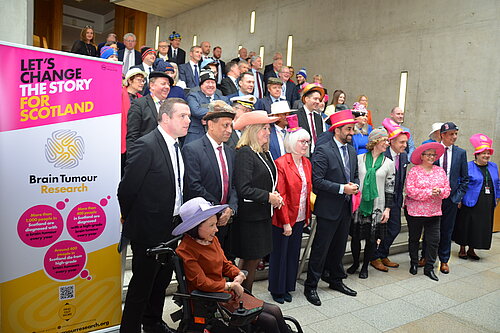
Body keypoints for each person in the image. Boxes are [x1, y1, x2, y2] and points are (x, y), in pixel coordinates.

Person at [118, 98, 190, 333]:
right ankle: (130, 329)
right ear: (166, 118)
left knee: (161, 282)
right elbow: (126, 189)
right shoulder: (146, 145)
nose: (188, 121)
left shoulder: (178, 146)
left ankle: (153, 324)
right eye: (183, 116)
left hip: (172, 227)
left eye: (189, 116)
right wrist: (134, 219)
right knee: (141, 287)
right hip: (148, 230)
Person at [173, 197, 292, 333]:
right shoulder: (185, 250)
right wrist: (230, 285)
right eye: (211, 225)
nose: (216, 230)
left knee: (275, 311)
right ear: (195, 227)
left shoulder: (212, 239)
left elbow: (225, 264)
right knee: (269, 320)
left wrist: (238, 273)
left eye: (215, 224)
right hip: (210, 300)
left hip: (226, 293)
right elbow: (201, 283)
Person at [304, 110, 360, 306]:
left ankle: (335, 280)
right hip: (327, 208)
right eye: (348, 129)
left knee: (338, 247)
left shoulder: (352, 150)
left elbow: (354, 175)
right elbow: (317, 181)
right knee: (321, 248)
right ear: (337, 130)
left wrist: (354, 186)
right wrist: (341, 189)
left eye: (353, 129)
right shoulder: (323, 150)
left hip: (345, 208)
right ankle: (311, 286)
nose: (352, 132)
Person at [231, 111, 281, 292]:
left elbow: (267, 181)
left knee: (252, 260)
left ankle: (244, 298)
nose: (268, 132)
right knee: (250, 260)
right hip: (250, 218)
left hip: (262, 215)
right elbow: (244, 188)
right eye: (265, 128)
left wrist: (275, 195)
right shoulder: (245, 153)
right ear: (253, 130)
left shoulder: (263, 153)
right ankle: (244, 298)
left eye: (269, 128)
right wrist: (269, 197)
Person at [182, 100, 238, 256]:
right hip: (203, 222)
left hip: (226, 220)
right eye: (225, 125)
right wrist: (219, 209)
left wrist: (231, 208)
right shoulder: (193, 149)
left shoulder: (229, 152)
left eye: (231, 126)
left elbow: (234, 185)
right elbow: (194, 186)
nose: (229, 130)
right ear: (211, 125)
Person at [269, 115, 312, 303]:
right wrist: (286, 222)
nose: (306, 145)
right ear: (293, 142)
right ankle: (277, 289)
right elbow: (282, 196)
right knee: (280, 254)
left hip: (301, 216)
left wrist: (307, 216)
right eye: (302, 141)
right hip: (284, 218)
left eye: (308, 142)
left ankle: (288, 286)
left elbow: (307, 191)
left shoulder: (307, 163)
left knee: (293, 253)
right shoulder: (281, 163)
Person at [421, 122, 469, 274]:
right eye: (451, 134)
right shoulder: (433, 150)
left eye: (456, 134)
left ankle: (444, 260)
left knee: (446, 230)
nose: (454, 137)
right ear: (442, 135)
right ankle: (426, 257)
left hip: (450, 199)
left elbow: (465, 178)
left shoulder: (461, 153)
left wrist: (457, 197)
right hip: (432, 198)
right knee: (429, 229)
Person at [347, 128, 395, 279]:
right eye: (384, 140)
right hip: (359, 205)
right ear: (375, 141)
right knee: (355, 238)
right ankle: (355, 263)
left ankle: (365, 266)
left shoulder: (389, 163)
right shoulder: (359, 158)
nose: (387, 143)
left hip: (378, 207)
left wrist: (387, 209)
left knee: (371, 239)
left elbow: (390, 188)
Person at [405, 142, 450, 281]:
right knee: (414, 239)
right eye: (428, 154)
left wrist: (440, 191)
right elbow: (410, 191)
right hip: (415, 212)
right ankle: (413, 263)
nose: (431, 157)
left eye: (433, 155)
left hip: (434, 212)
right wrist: (430, 192)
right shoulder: (414, 171)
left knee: (433, 241)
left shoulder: (440, 171)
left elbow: (447, 190)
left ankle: (429, 268)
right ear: (422, 156)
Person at [371, 118, 410, 270]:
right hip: (380, 199)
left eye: (406, 142)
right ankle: (374, 257)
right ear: (392, 141)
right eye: (401, 142)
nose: (404, 145)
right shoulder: (382, 155)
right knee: (377, 231)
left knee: (394, 228)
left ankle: (382, 254)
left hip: (395, 199)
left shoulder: (404, 156)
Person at [453, 134, 500, 259]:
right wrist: (459, 198)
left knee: (479, 226)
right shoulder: (468, 166)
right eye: (483, 153)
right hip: (469, 200)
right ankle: (462, 248)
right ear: (477, 154)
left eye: (488, 153)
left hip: (487, 202)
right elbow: (460, 181)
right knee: (466, 225)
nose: (486, 156)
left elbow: (497, 182)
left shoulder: (493, 166)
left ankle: (472, 249)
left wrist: (497, 197)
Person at [126, 71, 173, 151]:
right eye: (163, 83)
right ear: (152, 85)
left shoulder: (170, 106)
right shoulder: (139, 104)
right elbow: (133, 135)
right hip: (146, 154)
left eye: (168, 84)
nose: (167, 87)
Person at [185, 70, 228, 144]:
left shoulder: (223, 99)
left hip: (217, 136)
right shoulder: (193, 96)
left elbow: (228, 113)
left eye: (213, 82)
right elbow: (196, 111)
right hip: (197, 134)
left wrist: (208, 116)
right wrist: (218, 110)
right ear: (201, 85)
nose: (211, 85)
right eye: (207, 82)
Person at [121, 68, 146, 174]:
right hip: (121, 139)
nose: (142, 83)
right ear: (130, 81)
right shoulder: (119, 94)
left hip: (136, 141)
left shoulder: (142, 99)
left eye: (143, 81)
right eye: (139, 80)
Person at [294, 83, 326, 154]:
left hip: (317, 155)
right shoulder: (296, 115)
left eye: (319, 99)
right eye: (315, 99)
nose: (318, 102)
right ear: (306, 99)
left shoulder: (319, 118)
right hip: (302, 155)